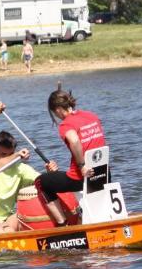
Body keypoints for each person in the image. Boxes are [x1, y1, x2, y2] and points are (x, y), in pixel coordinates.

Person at [0, 102, 53, 236]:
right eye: (3, 154)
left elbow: (42, 181)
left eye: (10, 153)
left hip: (6, 220)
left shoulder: (21, 169)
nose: (8, 158)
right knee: (0, 228)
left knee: (18, 219)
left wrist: (51, 173)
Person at [35, 89, 107, 225]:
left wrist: (82, 166)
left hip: (81, 177)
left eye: (54, 113)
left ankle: (63, 225)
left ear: (57, 110)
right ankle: (85, 216)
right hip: (103, 172)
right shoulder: (91, 115)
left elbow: (74, 141)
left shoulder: (66, 124)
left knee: (41, 182)